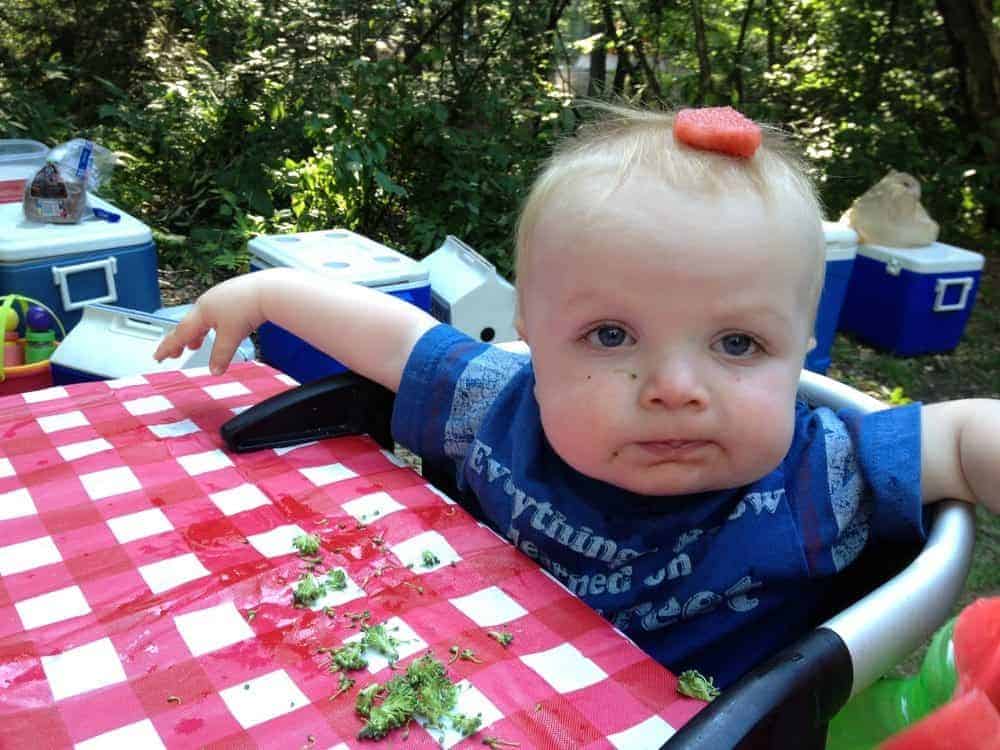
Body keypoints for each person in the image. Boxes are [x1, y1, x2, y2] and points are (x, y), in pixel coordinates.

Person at [154, 103, 1000, 688]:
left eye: (738, 344)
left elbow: (967, 441)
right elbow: (391, 336)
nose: (675, 388)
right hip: (470, 686)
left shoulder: (822, 477)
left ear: (801, 347)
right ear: (532, 334)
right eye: (610, 336)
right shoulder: (498, 406)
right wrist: (265, 297)